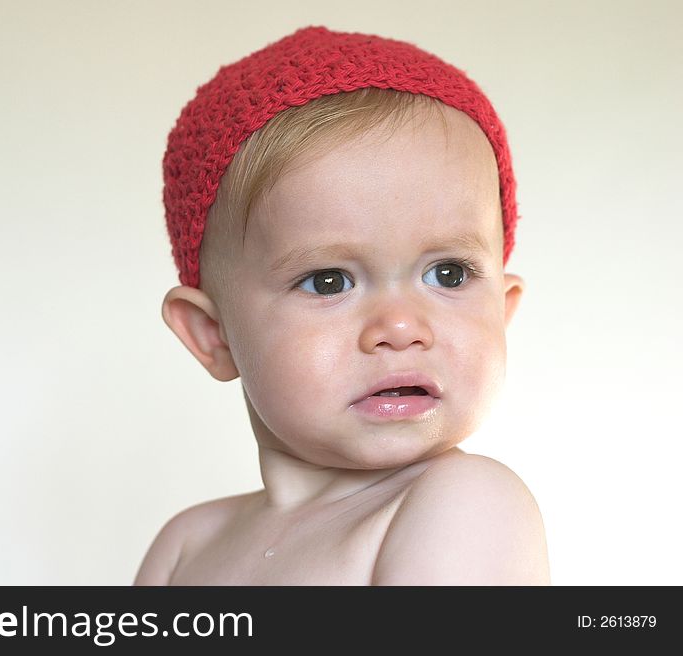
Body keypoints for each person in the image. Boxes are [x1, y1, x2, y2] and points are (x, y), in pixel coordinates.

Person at [135, 26, 550, 585]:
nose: (401, 327)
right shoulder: (185, 547)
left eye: (447, 274)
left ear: (502, 310)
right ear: (214, 334)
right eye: (329, 281)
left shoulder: (464, 503)